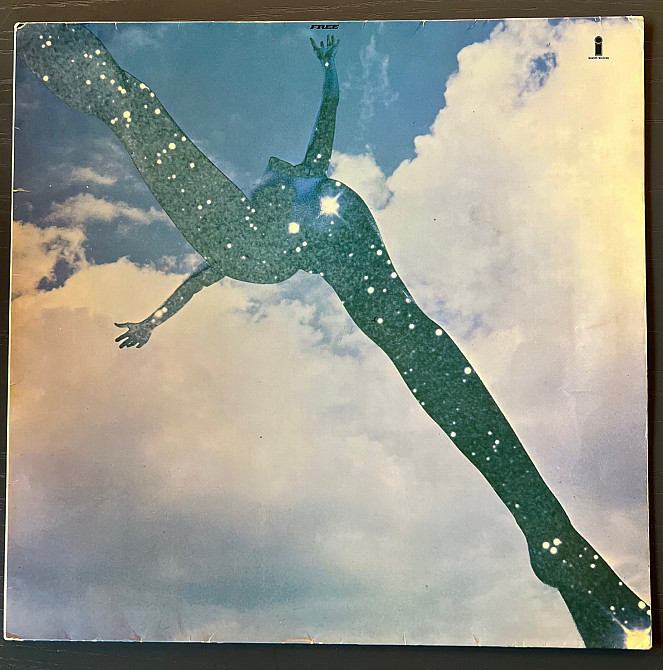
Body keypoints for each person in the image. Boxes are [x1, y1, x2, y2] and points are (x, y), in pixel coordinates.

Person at [16, 24, 651, 648]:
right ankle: (551, 542)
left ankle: (551, 544)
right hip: (296, 246)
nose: (267, 167)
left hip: (324, 248)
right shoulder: (279, 202)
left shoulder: (297, 183)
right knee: (415, 344)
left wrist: (329, 66)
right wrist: (155, 319)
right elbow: (205, 271)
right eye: (268, 176)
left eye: (271, 173)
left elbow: (325, 117)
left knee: (418, 348)